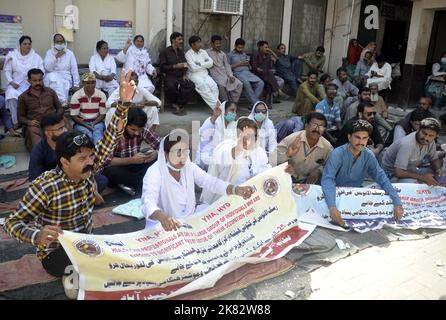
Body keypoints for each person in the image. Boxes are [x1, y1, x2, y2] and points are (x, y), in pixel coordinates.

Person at [2, 71, 134, 297]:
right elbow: (12, 223)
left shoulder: (88, 167)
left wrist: (123, 104)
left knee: (115, 259)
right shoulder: (46, 185)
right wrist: (37, 236)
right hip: (56, 251)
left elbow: (111, 136)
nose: (90, 162)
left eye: (91, 157)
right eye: (82, 159)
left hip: (85, 241)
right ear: (64, 162)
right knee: (94, 269)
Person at [141, 129, 255, 231]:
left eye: (185, 152)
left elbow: (210, 182)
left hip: (187, 218)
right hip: (163, 225)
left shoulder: (188, 167)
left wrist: (235, 189)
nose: (182, 157)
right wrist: (164, 218)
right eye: (177, 152)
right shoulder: (154, 172)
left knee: (219, 219)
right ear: (166, 154)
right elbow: (148, 203)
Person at [321, 120, 403, 227]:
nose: (361, 142)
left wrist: (397, 202)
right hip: (333, 194)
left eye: (364, 138)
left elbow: (381, 178)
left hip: (355, 195)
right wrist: (332, 207)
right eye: (357, 137)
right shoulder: (338, 153)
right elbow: (328, 179)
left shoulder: (368, 155)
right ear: (349, 137)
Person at [28, 112, 109, 197]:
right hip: (56, 184)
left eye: (64, 127)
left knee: (101, 180)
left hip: (78, 176)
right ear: (47, 133)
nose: (65, 130)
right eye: (60, 128)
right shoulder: (38, 151)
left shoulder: (71, 140)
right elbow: (35, 180)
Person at [201, 117, 271, 204]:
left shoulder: (258, 151)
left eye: (253, 136)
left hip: (252, 198)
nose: (249, 140)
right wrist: (239, 147)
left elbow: (267, 172)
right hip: (227, 200)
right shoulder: (225, 146)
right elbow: (224, 162)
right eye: (245, 136)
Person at [103, 108, 160, 196]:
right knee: (111, 172)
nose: (137, 133)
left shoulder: (142, 128)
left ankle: (130, 184)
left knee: (159, 159)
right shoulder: (113, 133)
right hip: (119, 166)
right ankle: (146, 182)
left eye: (139, 130)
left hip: (136, 164)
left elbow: (160, 144)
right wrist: (132, 160)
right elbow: (106, 161)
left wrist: (156, 152)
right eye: (133, 130)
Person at [275, 112, 332, 184]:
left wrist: (319, 170)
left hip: (310, 182)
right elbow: (273, 158)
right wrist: (287, 155)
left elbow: (331, 165)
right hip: (288, 178)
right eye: (314, 125)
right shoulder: (292, 139)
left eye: (321, 126)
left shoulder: (327, 146)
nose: (317, 129)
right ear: (306, 126)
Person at [382, 118, 443, 185]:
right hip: (391, 174)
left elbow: (434, 158)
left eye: (430, 135)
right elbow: (398, 172)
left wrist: (438, 170)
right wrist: (423, 177)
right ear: (418, 129)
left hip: (409, 169)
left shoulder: (430, 142)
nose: (426, 138)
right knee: (412, 184)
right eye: (424, 133)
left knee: (434, 174)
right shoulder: (407, 144)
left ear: (436, 136)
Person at [18, 68, 64, 151]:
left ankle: (68, 151)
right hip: (37, 125)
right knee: (31, 129)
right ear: (29, 80)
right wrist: (29, 122)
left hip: (52, 122)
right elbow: (20, 117)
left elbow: (60, 108)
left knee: (64, 121)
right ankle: (40, 155)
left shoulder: (50, 92)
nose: (38, 83)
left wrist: (57, 117)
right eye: (34, 81)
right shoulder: (23, 97)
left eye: (40, 80)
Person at [4, 35, 44, 128]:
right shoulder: (12, 56)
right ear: (20, 45)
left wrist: (34, 81)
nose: (27, 46)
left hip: (31, 84)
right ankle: (16, 121)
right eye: (25, 44)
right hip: (16, 84)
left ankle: (30, 120)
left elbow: (42, 71)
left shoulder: (36, 57)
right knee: (11, 94)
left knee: (33, 96)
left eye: (29, 44)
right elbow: (7, 71)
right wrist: (11, 82)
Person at [159, 32, 195, 115]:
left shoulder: (181, 52)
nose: (181, 41)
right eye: (179, 39)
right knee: (171, 86)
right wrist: (175, 66)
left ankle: (179, 104)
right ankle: (176, 104)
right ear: (173, 40)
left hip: (180, 76)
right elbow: (162, 67)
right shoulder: (165, 52)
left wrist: (184, 74)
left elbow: (185, 65)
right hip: (169, 75)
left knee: (191, 85)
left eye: (181, 39)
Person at [196, 101, 237, 170]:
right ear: (224, 110)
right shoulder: (214, 121)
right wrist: (214, 117)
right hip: (208, 156)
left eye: (235, 111)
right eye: (232, 110)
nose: (234, 113)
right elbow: (204, 134)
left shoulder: (233, 125)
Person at [43, 33, 80, 106]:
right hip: (51, 77)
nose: (59, 43)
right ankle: (63, 101)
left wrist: (76, 84)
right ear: (53, 42)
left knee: (57, 84)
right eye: (57, 42)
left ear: (64, 42)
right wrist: (55, 57)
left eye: (61, 41)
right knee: (53, 76)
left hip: (65, 78)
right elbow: (47, 68)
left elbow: (74, 69)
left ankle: (57, 105)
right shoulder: (49, 52)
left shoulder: (69, 53)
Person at [70, 73, 107, 144]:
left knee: (97, 134)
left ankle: (98, 152)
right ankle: (98, 151)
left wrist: (93, 123)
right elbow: (74, 116)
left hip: (97, 122)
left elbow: (102, 114)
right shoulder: (76, 96)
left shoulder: (101, 95)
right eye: (87, 83)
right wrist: (86, 125)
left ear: (95, 83)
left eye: (93, 82)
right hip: (81, 123)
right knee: (88, 134)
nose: (90, 85)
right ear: (83, 83)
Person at [227, 38, 264, 107]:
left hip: (247, 72)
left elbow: (249, 66)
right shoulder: (230, 55)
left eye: (242, 47)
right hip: (237, 73)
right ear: (235, 46)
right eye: (239, 47)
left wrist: (248, 63)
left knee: (261, 83)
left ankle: (253, 103)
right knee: (246, 83)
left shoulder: (244, 54)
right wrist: (239, 64)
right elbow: (228, 67)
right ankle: (257, 104)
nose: (241, 49)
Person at [207, 35, 243, 103]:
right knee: (221, 85)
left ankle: (233, 103)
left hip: (225, 74)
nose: (219, 45)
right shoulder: (206, 52)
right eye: (217, 43)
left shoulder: (223, 54)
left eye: (220, 43)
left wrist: (231, 75)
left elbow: (227, 66)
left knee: (239, 84)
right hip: (215, 75)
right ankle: (226, 103)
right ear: (212, 44)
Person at [185, 35, 219, 109]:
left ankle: (216, 106)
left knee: (214, 86)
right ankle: (216, 108)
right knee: (203, 86)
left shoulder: (203, 52)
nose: (200, 44)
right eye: (198, 42)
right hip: (194, 75)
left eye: (200, 42)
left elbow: (211, 63)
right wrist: (205, 64)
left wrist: (200, 63)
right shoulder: (188, 54)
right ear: (192, 44)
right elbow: (193, 68)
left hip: (205, 74)